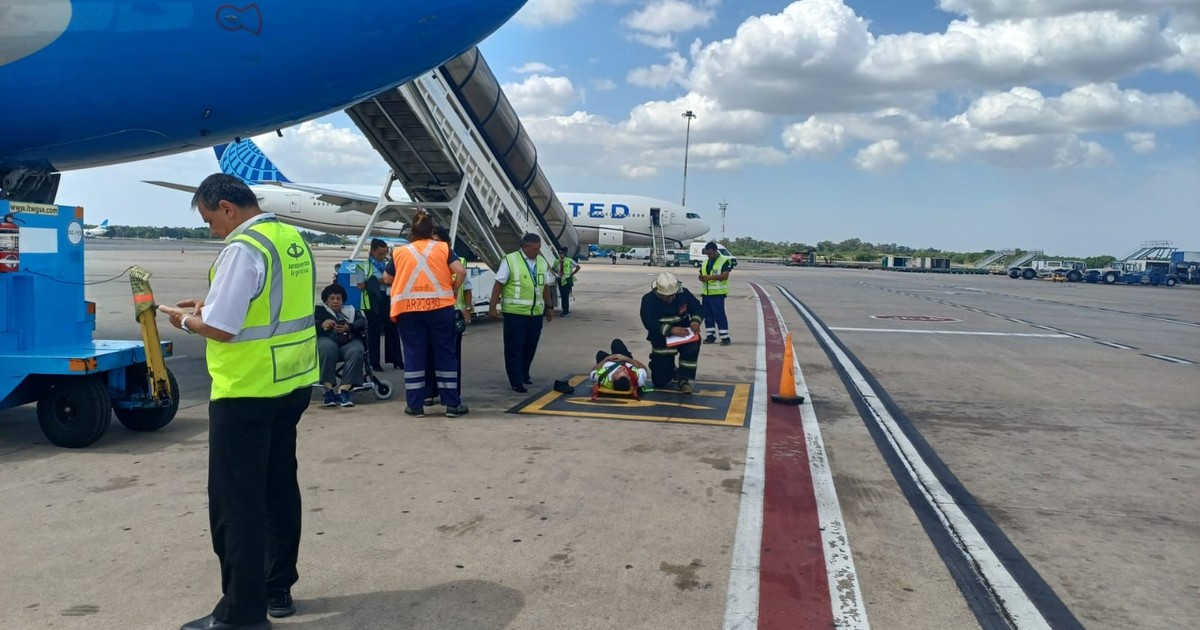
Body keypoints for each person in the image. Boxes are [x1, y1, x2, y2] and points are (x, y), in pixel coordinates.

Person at [158, 173, 317, 630]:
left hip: (246, 391)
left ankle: (241, 613)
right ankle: (277, 587)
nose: (212, 231)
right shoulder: (292, 239)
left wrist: (184, 320)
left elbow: (222, 329)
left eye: (211, 220)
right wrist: (209, 303)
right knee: (278, 489)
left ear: (227, 208)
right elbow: (271, 305)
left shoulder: (243, 248)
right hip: (291, 384)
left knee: (236, 503)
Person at [382, 211, 468, 418]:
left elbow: (386, 278)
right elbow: (461, 271)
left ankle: (415, 405)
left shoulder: (400, 252)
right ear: (431, 231)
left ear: (412, 232)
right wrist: (454, 288)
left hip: (409, 310)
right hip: (440, 309)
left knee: (414, 355)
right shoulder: (443, 248)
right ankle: (452, 404)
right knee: (445, 354)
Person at [489, 233, 554, 393]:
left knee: (530, 346)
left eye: (539, 248)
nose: (537, 252)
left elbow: (545, 286)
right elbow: (498, 284)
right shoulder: (510, 260)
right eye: (534, 249)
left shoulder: (541, 262)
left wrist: (549, 306)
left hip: (535, 313)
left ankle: (524, 373)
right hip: (515, 313)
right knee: (514, 348)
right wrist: (493, 307)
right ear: (525, 247)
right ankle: (515, 380)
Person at [424, 226, 472, 408]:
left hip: (452, 314)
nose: (433, 245)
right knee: (428, 354)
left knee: (452, 356)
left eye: (437, 241)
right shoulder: (423, 261)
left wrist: (467, 308)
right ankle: (429, 392)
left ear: (446, 243)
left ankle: (452, 394)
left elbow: (467, 287)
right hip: (428, 313)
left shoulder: (458, 262)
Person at [639, 272, 703, 393]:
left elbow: (697, 308)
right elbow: (649, 322)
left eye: (673, 295)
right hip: (661, 339)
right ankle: (666, 367)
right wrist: (671, 330)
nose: (670, 298)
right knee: (660, 382)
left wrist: (695, 321)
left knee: (693, 344)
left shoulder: (684, 294)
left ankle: (684, 378)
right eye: (666, 296)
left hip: (684, 335)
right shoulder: (648, 300)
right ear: (658, 292)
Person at [315, 283, 367, 408]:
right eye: (332, 298)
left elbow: (363, 322)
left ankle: (343, 391)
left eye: (338, 298)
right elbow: (310, 324)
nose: (335, 301)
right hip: (327, 340)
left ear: (343, 300)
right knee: (327, 348)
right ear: (326, 300)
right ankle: (328, 391)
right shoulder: (319, 310)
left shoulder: (351, 310)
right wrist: (322, 325)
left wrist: (350, 327)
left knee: (357, 350)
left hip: (347, 341)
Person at [363, 238, 403, 372]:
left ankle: (396, 359)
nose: (382, 256)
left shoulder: (387, 264)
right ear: (373, 251)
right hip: (373, 300)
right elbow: (361, 283)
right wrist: (379, 280)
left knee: (392, 328)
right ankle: (374, 362)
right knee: (374, 331)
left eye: (384, 254)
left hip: (387, 298)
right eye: (380, 254)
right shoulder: (364, 266)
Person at [698, 241, 734, 345]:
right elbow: (701, 274)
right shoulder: (705, 262)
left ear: (715, 251)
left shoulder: (724, 260)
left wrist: (710, 277)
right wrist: (701, 278)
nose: (709, 256)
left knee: (719, 315)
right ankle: (710, 336)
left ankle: (725, 338)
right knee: (707, 316)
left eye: (710, 253)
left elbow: (725, 276)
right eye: (707, 254)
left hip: (717, 294)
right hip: (706, 294)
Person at [554, 246, 580, 316]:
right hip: (560, 279)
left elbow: (578, 267)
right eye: (559, 253)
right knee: (562, 296)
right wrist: (557, 273)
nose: (560, 254)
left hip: (567, 279)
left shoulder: (569, 260)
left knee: (565, 296)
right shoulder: (557, 261)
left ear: (564, 254)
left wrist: (572, 273)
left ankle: (565, 311)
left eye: (561, 253)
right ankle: (564, 310)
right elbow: (553, 268)